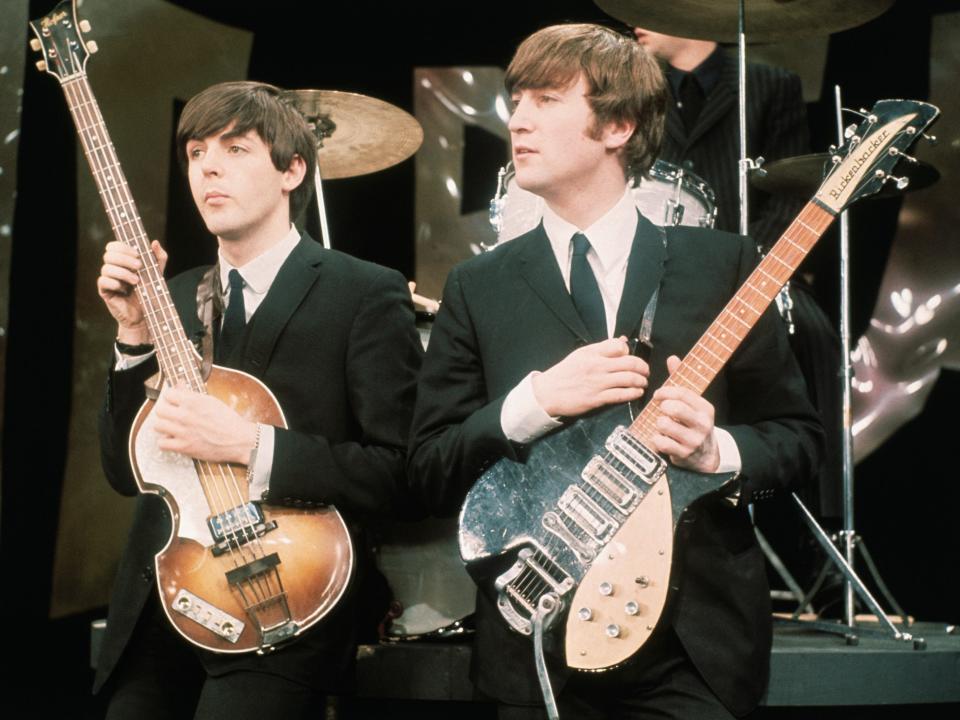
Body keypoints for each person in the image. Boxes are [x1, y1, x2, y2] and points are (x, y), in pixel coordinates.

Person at [407, 24, 823, 719]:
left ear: (619, 125)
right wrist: (533, 403)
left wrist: (716, 450)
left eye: (546, 99)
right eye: (518, 99)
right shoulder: (479, 285)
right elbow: (424, 469)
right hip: (538, 645)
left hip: (694, 650)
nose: (520, 119)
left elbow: (799, 440)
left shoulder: (720, 264)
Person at [94, 81, 422, 719]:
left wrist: (248, 445)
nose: (208, 166)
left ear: (292, 170)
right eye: (195, 152)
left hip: (282, 601)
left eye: (236, 149)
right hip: (163, 600)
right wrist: (132, 338)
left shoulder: (364, 293)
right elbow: (122, 471)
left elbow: (403, 472)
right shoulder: (172, 295)